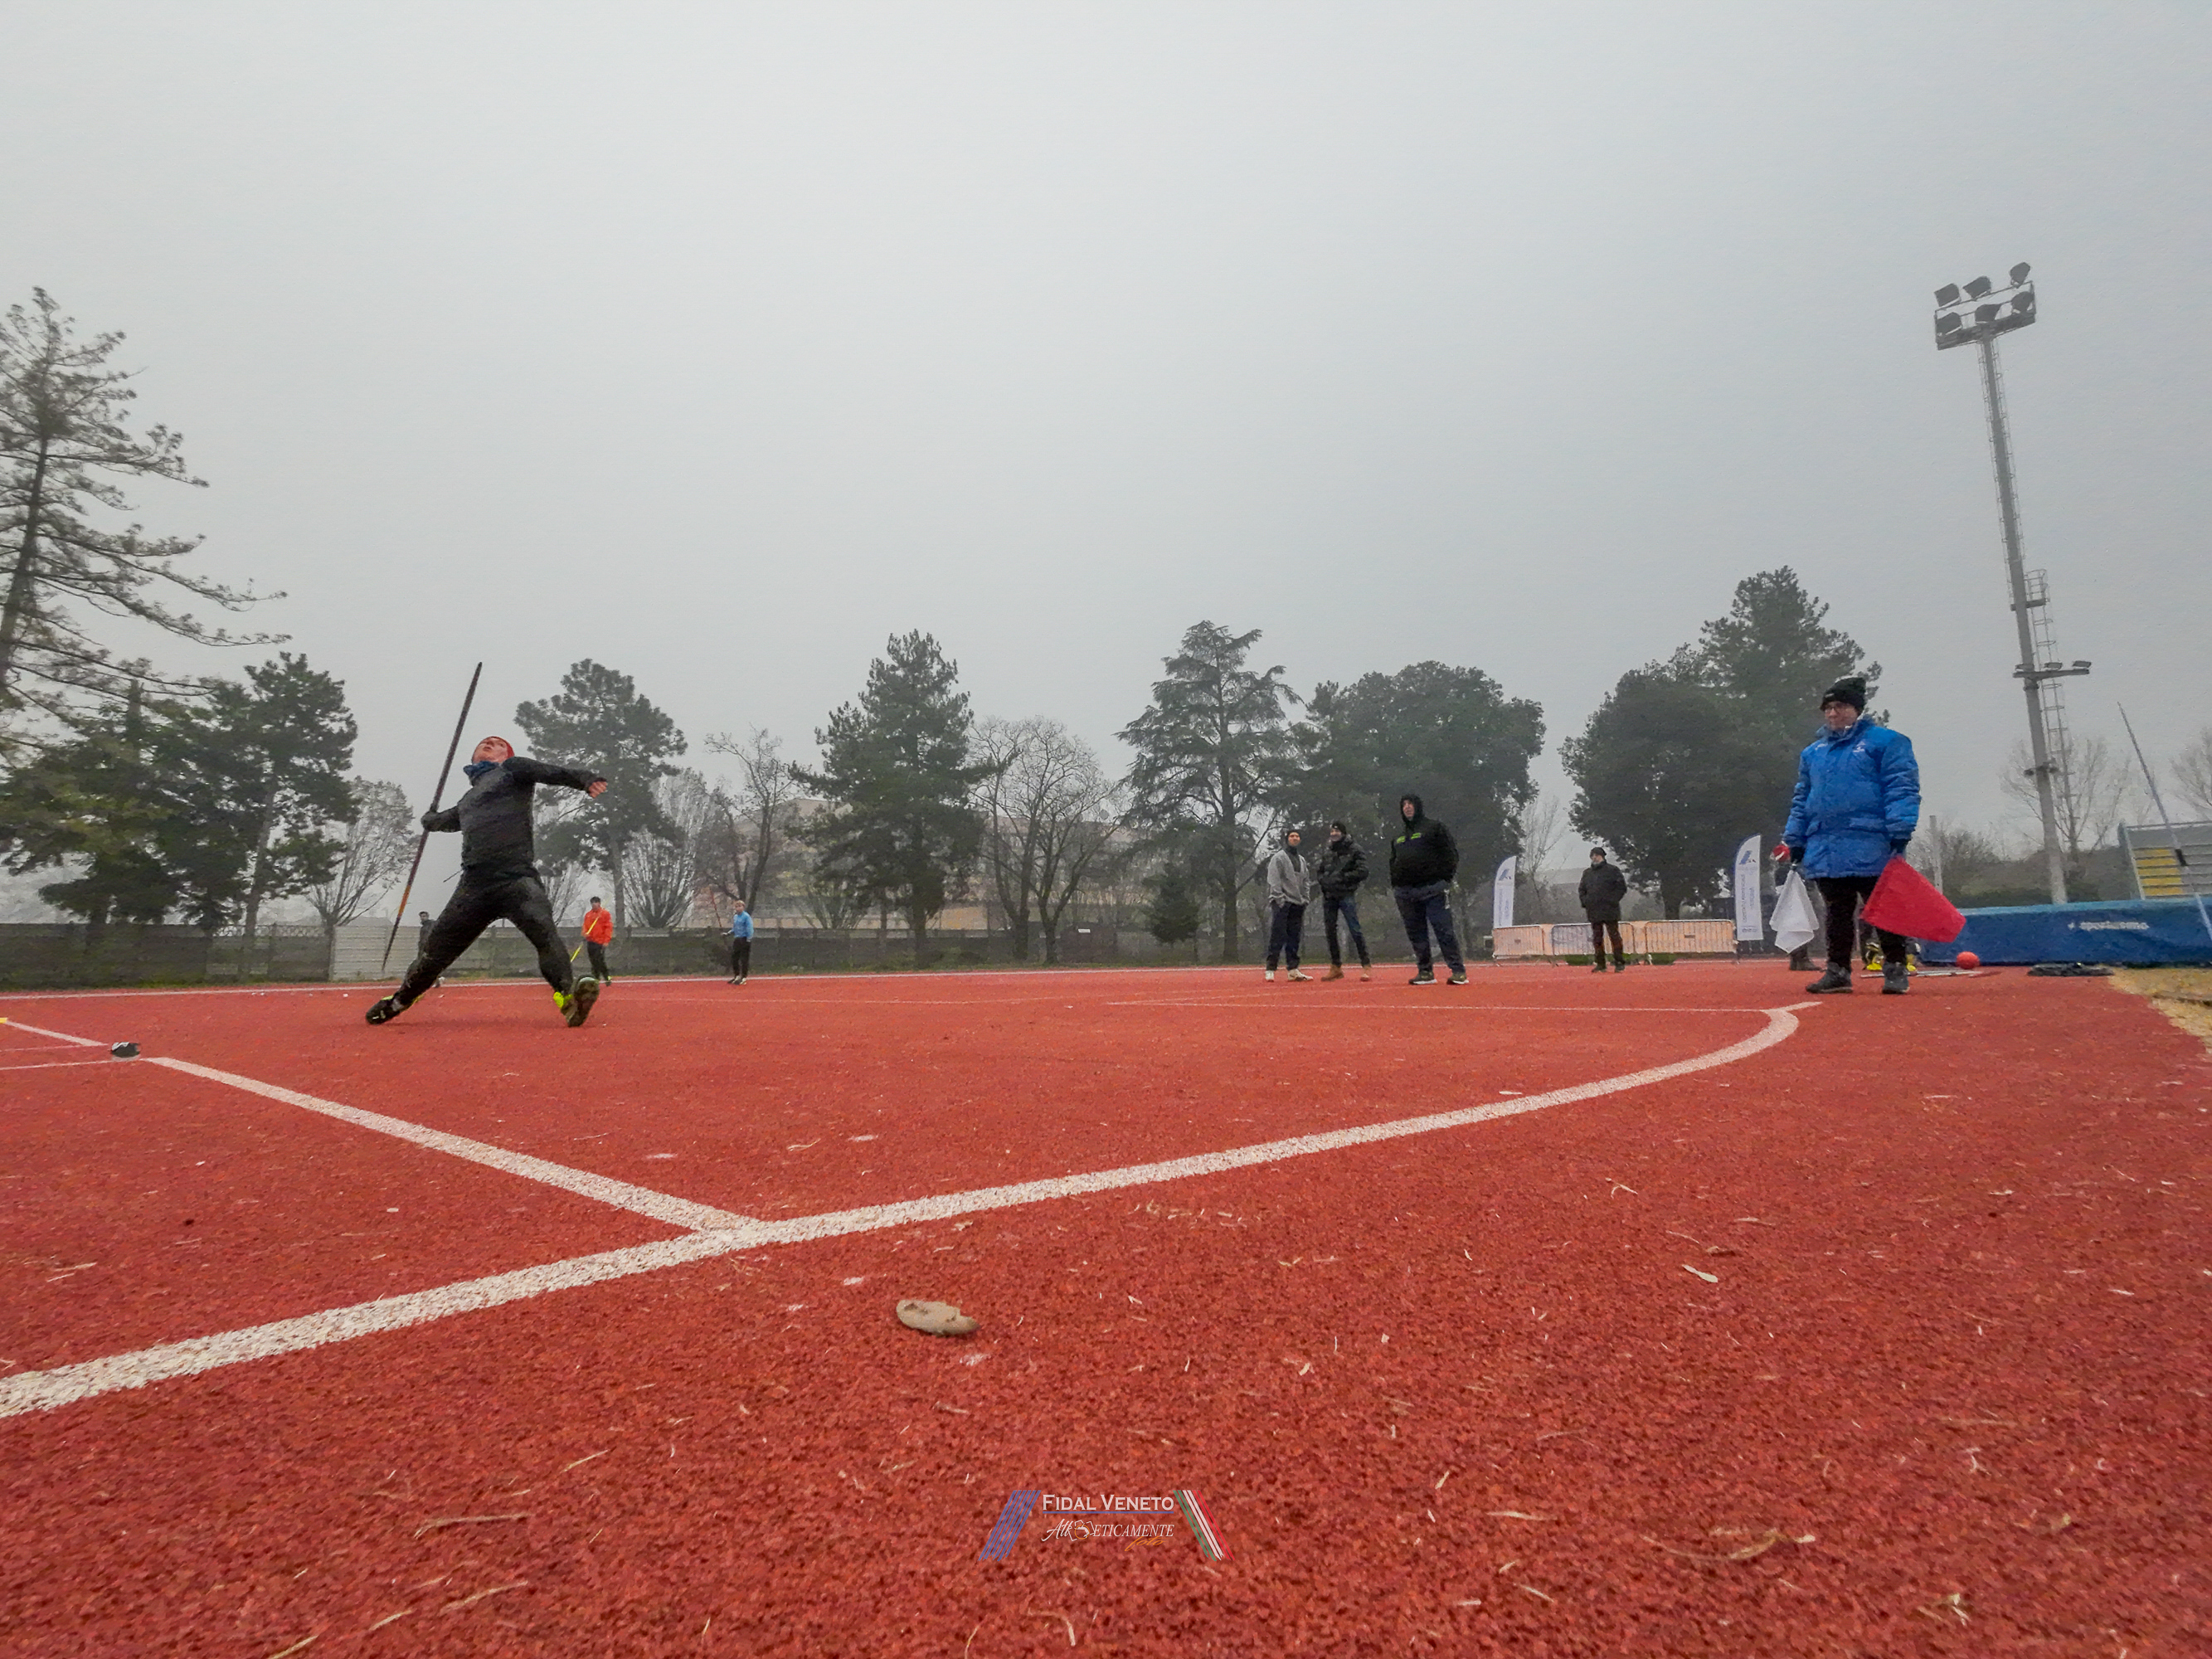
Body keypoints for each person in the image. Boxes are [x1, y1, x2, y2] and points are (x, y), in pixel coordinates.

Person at [366, 737, 608, 1027]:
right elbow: (444, 821)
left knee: (545, 937)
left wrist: (585, 780)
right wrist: (429, 820)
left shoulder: (514, 769)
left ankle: (568, 997)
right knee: (434, 954)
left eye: (499, 745)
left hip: (517, 878)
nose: (492, 745)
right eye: (486, 744)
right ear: (474, 757)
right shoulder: (467, 801)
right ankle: (399, 1001)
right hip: (475, 887)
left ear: (508, 755)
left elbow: (551, 772)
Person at [1777, 675, 1920, 995]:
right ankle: (1838, 971)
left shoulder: (1887, 743)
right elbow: (1803, 797)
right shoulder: (1813, 753)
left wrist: (1900, 828)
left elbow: (1902, 786)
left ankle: (1895, 968)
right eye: (1827, 708)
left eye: (1840, 706)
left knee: (1884, 909)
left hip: (1873, 840)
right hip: (1826, 843)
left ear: (1857, 709)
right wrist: (1795, 837)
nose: (1832, 713)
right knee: (1836, 912)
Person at [1389, 794, 1465, 985]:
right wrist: (1396, 884)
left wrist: (1444, 879)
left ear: (1418, 806)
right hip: (1406, 893)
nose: (1407, 807)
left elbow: (1450, 854)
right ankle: (1425, 972)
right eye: (1404, 805)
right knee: (1416, 934)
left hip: (1434, 889)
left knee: (1444, 930)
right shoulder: (1398, 836)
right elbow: (1393, 861)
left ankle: (1458, 971)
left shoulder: (1434, 828)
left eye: (1410, 804)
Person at [1315, 820, 1373, 981]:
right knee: (1330, 931)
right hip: (1329, 896)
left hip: (1346, 894)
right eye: (1332, 831)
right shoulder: (1328, 851)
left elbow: (1363, 871)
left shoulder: (1355, 849)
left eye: (1337, 831)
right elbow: (1320, 871)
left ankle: (1366, 965)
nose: (1334, 834)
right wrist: (1323, 881)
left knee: (1355, 929)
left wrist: (1343, 878)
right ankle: (1336, 966)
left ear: (1343, 833)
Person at [1263, 828, 1314, 981]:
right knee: (1277, 935)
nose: (1294, 838)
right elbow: (1274, 879)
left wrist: (1305, 898)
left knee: (1294, 936)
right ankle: (1270, 968)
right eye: (1292, 836)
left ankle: (1293, 969)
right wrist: (1280, 899)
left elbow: (1306, 880)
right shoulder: (1278, 858)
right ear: (1287, 839)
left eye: (1297, 836)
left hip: (1298, 903)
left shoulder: (1302, 860)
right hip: (1282, 903)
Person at [1578, 846, 1629, 973]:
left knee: (1614, 936)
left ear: (1603, 856)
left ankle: (1619, 962)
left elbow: (1621, 888)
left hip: (1610, 909)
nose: (1594, 858)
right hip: (1594, 910)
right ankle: (1600, 963)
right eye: (1593, 856)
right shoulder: (1587, 873)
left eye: (1597, 855)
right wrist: (1586, 902)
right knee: (1597, 938)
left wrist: (1613, 900)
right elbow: (1582, 890)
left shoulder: (1613, 870)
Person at [581, 896, 614, 982]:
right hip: (590, 941)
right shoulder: (588, 915)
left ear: (599, 903)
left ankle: (606, 976)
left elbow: (608, 928)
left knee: (599, 960)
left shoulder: (604, 914)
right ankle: (596, 977)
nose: (594, 904)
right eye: (592, 903)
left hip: (600, 941)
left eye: (596, 902)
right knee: (593, 960)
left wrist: (606, 940)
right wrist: (585, 933)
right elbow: (585, 926)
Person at [728, 898, 754, 985]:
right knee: (735, 958)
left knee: (744, 959)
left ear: (743, 907)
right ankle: (737, 976)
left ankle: (744, 977)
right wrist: (728, 933)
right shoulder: (735, 917)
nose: (738, 908)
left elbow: (749, 928)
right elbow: (735, 928)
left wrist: (749, 939)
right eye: (737, 906)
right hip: (737, 939)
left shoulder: (746, 916)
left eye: (740, 906)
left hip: (744, 939)